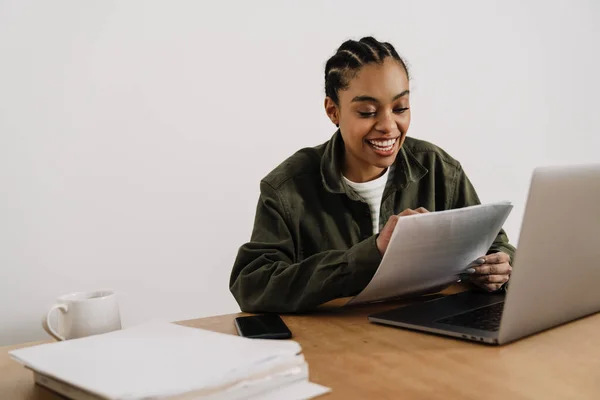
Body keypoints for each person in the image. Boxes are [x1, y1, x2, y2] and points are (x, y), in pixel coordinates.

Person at [229, 37, 515, 313]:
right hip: (333, 344)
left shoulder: (440, 169)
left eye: (400, 108)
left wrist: (498, 267)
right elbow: (253, 285)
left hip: (427, 338)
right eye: (367, 112)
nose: (389, 126)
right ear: (333, 111)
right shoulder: (286, 188)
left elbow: (497, 246)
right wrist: (374, 252)